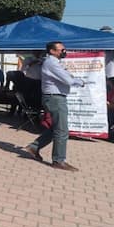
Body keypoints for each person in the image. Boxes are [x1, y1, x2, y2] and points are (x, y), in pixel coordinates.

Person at [23, 41, 85, 171]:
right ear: (52, 51)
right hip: (55, 97)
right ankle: (58, 160)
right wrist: (80, 82)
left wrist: (72, 78)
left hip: (55, 97)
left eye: (64, 49)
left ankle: (34, 147)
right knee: (62, 130)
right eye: (61, 49)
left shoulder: (55, 63)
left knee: (57, 128)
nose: (64, 51)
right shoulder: (52, 63)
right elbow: (68, 79)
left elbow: (67, 76)